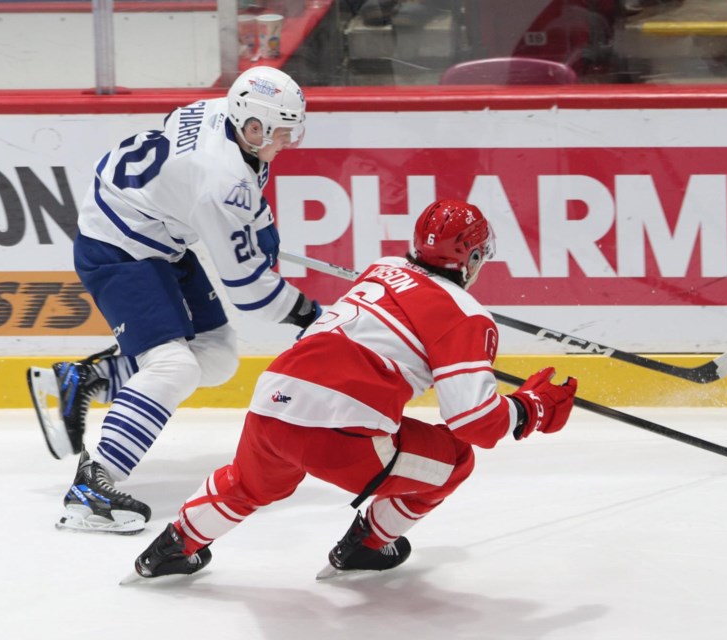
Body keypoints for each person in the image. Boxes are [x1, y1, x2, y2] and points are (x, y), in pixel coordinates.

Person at [127, 198, 578, 580]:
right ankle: (367, 545)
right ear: (473, 258)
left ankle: (169, 549)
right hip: (338, 432)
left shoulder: (381, 270)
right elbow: (475, 423)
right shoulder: (467, 314)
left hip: (272, 403)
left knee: (247, 483)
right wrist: (529, 409)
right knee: (455, 457)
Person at [30, 65, 322, 535]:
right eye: (283, 132)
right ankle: (92, 484)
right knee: (175, 367)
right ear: (252, 127)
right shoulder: (221, 183)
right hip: (117, 246)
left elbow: (186, 153)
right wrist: (308, 313)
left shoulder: (216, 112)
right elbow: (250, 292)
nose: (289, 141)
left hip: (153, 233)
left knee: (217, 356)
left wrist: (249, 224)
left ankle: (84, 378)